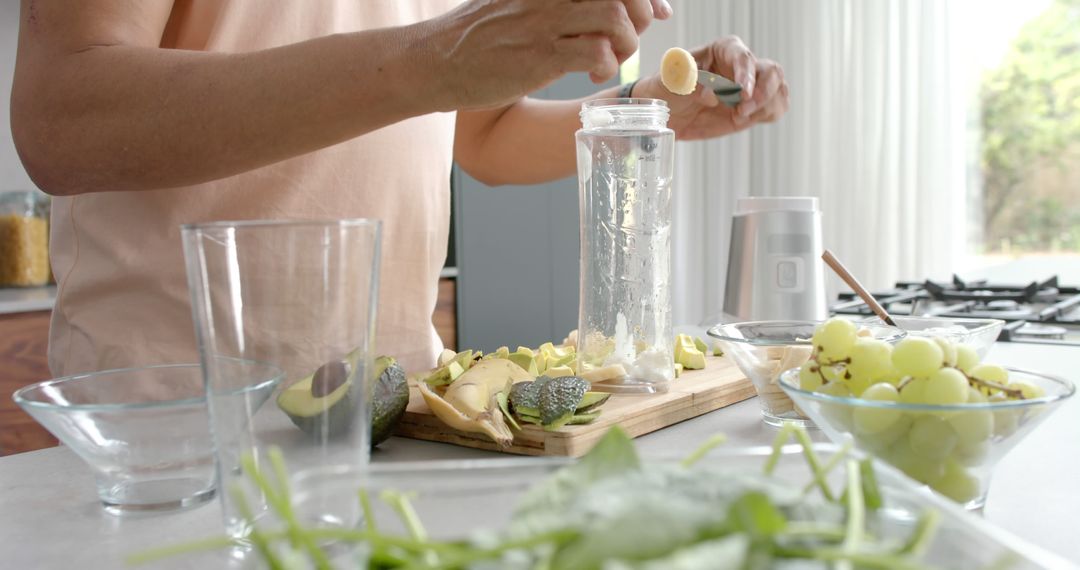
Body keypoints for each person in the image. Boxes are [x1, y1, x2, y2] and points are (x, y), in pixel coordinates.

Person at [11, 0, 789, 376]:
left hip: (400, 405)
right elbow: (60, 117)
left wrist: (644, 112)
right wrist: (436, 56)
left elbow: (477, 137)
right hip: (177, 424)